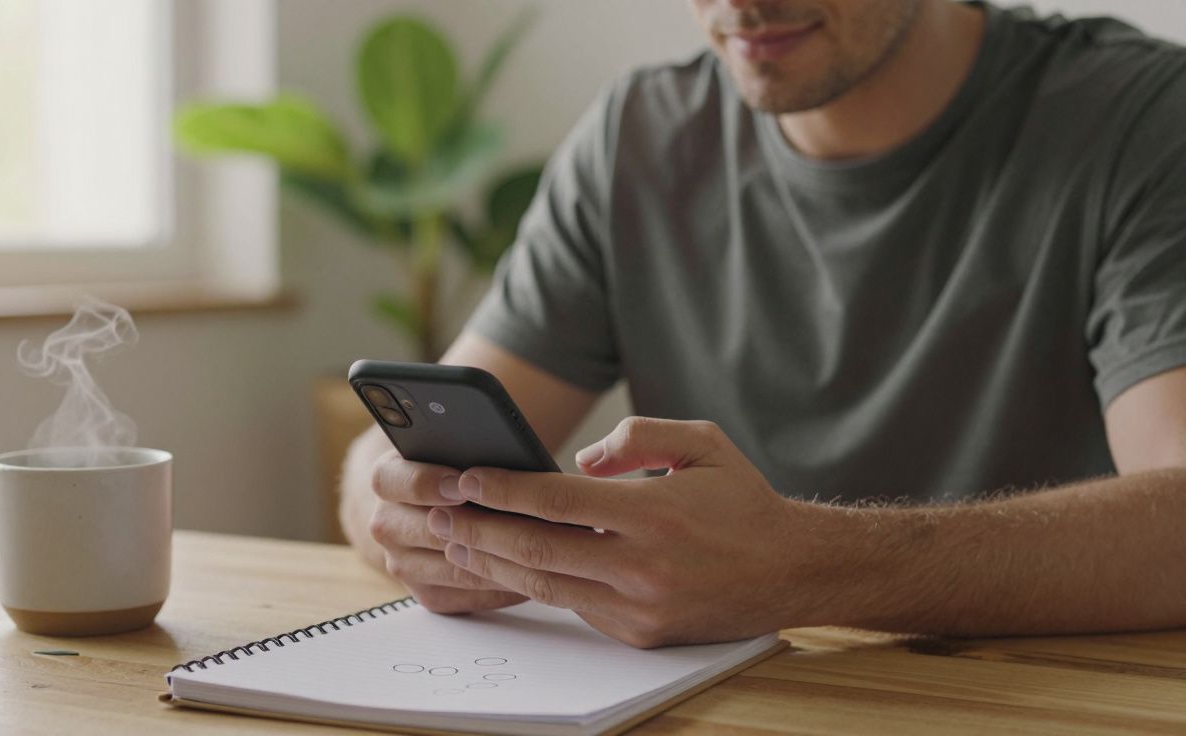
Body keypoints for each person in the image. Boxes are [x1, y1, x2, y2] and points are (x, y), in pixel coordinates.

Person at [338, 0, 1186, 647]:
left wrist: (813, 568)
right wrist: (408, 515)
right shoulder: (639, 137)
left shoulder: (1139, 118)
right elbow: (395, 450)